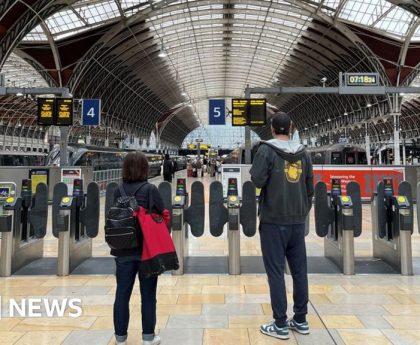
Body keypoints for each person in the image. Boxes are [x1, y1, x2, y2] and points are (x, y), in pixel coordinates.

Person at [250, 112, 314, 340]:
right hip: (297, 221)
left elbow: (256, 180)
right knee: (299, 271)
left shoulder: (266, 150)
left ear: (272, 128)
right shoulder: (304, 154)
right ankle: (301, 319)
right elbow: (309, 188)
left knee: (276, 272)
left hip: (273, 221)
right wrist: (301, 211)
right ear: (292, 127)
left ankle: (279, 324)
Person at [112, 152, 163, 345]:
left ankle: (120, 338)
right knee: (148, 295)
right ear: (145, 168)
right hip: (147, 251)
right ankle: (148, 337)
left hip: (123, 249)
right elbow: (162, 216)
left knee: (122, 294)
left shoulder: (118, 190)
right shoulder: (150, 189)